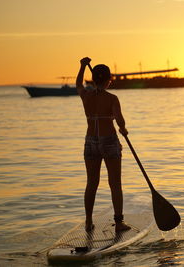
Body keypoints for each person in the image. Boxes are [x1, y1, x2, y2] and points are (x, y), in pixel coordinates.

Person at [76, 57, 131, 232]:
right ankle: (119, 222)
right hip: (109, 142)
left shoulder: (85, 95)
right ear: (108, 80)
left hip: (90, 141)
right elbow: (120, 120)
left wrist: (82, 66)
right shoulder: (112, 98)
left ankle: (88, 221)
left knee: (92, 182)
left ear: (93, 79)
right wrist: (123, 129)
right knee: (115, 183)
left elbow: (78, 83)